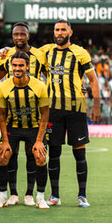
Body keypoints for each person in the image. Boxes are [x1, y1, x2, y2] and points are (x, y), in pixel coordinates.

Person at [42, 20, 101, 207]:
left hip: (76, 110)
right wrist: (2, 51)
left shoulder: (80, 52)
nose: (59, 33)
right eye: (57, 30)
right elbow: (26, 51)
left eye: (63, 30)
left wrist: (96, 105)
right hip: (53, 110)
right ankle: (55, 195)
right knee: (54, 153)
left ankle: (82, 195)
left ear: (70, 32)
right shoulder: (46, 51)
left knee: (79, 154)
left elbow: (93, 79)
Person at [0, 22, 47, 206]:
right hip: (12, 116)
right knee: (7, 154)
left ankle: (31, 195)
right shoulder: (6, 55)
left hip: (34, 113)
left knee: (36, 154)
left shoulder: (40, 55)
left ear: (28, 35)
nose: (18, 37)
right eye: (15, 34)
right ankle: (12, 194)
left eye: (22, 34)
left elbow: (52, 74)